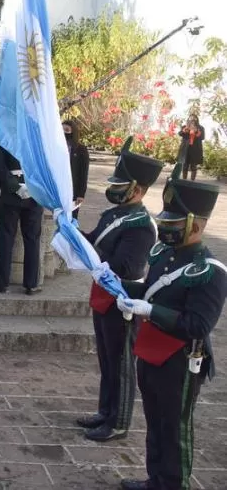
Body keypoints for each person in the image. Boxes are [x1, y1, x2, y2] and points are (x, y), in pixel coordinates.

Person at [116, 168, 226, 490]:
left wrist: (151, 310)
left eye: (174, 224)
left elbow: (197, 324)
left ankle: (174, 484)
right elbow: (149, 290)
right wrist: (119, 287)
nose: (166, 228)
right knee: (154, 421)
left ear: (198, 225)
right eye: (165, 222)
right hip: (151, 351)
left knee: (174, 429)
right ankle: (156, 479)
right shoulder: (165, 255)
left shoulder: (209, 271)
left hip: (179, 360)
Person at [75, 139, 163, 443]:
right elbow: (94, 241)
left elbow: (126, 266)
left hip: (123, 299)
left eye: (120, 184)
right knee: (106, 358)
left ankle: (119, 421)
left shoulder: (141, 225)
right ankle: (105, 411)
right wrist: (72, 229)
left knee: (122, 362)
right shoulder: (113, 215)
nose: (114, 189)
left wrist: (89, 254)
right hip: (103, 295)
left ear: (137, 189)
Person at [0, 143, 43, 294]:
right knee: (32, 240)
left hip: (10, 195)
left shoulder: (3, 137)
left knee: (6, 237)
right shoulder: (37, 137)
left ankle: (1, 282)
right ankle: (31, 284)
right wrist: (33, 187)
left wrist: (16, 187)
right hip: (34, 195)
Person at [63, 119, 90, 220]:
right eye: (61, 130)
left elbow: (84, 172)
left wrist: (81, 194)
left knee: (71, 219)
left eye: (67, 130)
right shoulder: (56, 147)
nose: (64, 133)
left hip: (73, 191)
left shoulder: (81, 150)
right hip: (58, 189)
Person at [179, 114, 205, 181]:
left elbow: (202, 137)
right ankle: (184, 180)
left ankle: (192, 181)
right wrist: (184, 131)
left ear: (197, 119)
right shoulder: (185, 127)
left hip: (195, 149)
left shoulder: (201, 128)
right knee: (185, 165)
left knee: (193, 166)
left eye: (194, 118)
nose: (192, 120)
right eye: (191, 118)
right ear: (188, 119)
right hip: (186, 149)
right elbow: (180, 134)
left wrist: (196, 131)